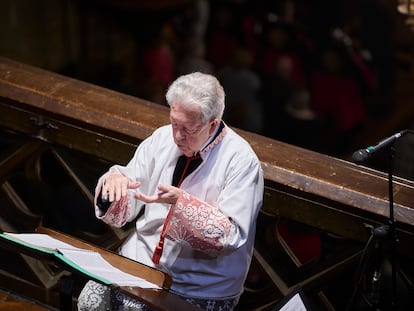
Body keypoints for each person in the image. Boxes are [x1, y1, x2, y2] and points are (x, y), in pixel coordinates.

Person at [77, 72, 264, 311]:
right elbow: (131, 182)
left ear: (213, 124)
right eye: (174, 123)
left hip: (199, 284)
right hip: (139, 260)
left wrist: (182, 205)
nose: (177, 136)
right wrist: (115, 185)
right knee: (89, 303)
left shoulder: (241, 161)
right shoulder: (162, 138)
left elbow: (233, 234)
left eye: (188, 129)